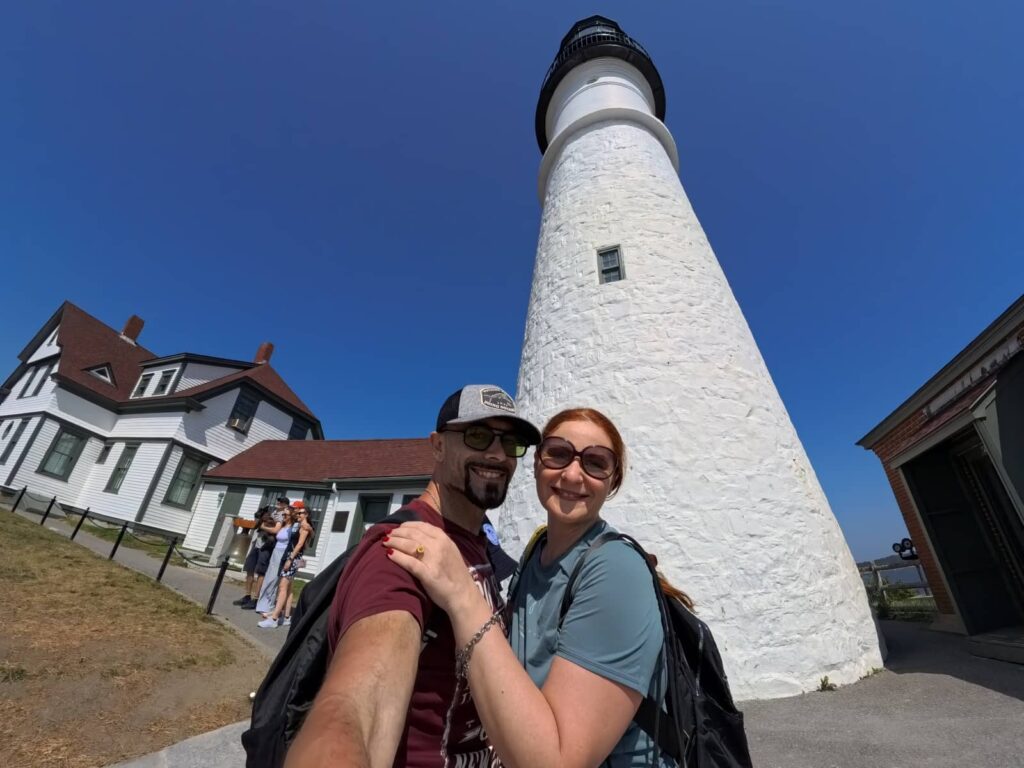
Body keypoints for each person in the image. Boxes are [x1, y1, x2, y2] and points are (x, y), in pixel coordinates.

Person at [385, 407, 685, 768]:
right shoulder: (536, 553)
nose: (573, 474)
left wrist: (463, 596)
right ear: (537, 464)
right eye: (558, 453)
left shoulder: (616, 570)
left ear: (613, 481)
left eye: (596, 462)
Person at [285, 385, 541, 768]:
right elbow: (357, 703)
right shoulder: (403, 548)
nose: (497, 454)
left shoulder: (476, 545)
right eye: (478, 435)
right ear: (437, 446)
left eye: (512, 443)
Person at [258, 502, 315, 628]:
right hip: (290, 555)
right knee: (288, 588)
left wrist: (290, 559)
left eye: (300, 512)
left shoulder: (305, 526)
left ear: (306, 514)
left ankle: (274, 619)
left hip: (292, 557)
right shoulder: (301, 525)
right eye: (298, 512)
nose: (298, 514)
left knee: (282, 587)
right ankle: (287, 616)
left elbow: (300, 545)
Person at [234, 506, 276, 609]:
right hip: (256, 546)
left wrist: (263, 520)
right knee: (249, 568)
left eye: (266, 513)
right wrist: (259, 517)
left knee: (261, 572)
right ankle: (247, 595)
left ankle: (256, 599)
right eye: (264, 513)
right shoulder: (261, 520)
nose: (264, 514)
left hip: (266, 548)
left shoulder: (273, 520)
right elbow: (255, 525)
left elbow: (270, 528)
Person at [255, 505, 293, 615]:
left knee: (277, 581)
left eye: (286, 515)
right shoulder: (284, 526)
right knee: (269, 578)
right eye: (283, 514)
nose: (283, 516)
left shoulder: (293, 528)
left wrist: (290, 558)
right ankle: (262, 605)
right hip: (276, 552)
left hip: (284, 554)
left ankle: (271, 607)